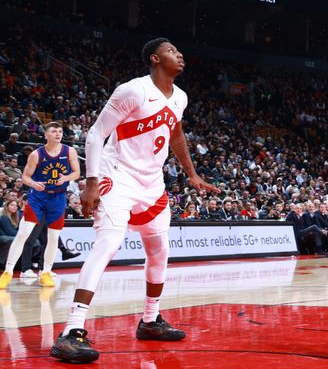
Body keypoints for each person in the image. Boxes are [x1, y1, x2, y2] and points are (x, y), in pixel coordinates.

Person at [50, 38, 218, 363]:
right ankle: (71, 331)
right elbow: (96, 134)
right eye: (171, 50)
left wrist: (192, 174)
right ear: (155, 59)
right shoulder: (133, 90)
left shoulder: (180, 97)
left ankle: (150, 320)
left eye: (180, 50)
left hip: (152, 182)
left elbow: (177, 135)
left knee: (160, 251)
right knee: (108, 244)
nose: (180, 54)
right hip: (118, 174)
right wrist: (91, 182)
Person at [1, 122, 80, 289]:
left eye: (60, 131)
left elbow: (77, 173)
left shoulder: (69, 151)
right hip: (38, 197)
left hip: (58, 198)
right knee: (23, 234)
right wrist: (34, 184)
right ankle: (7, 272)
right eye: (54, 131)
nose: (58, 134)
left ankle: (45, 273)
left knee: (53, 237)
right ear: (46, 135)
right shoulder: (37, 154)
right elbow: (25, 177)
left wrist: (65, 178)